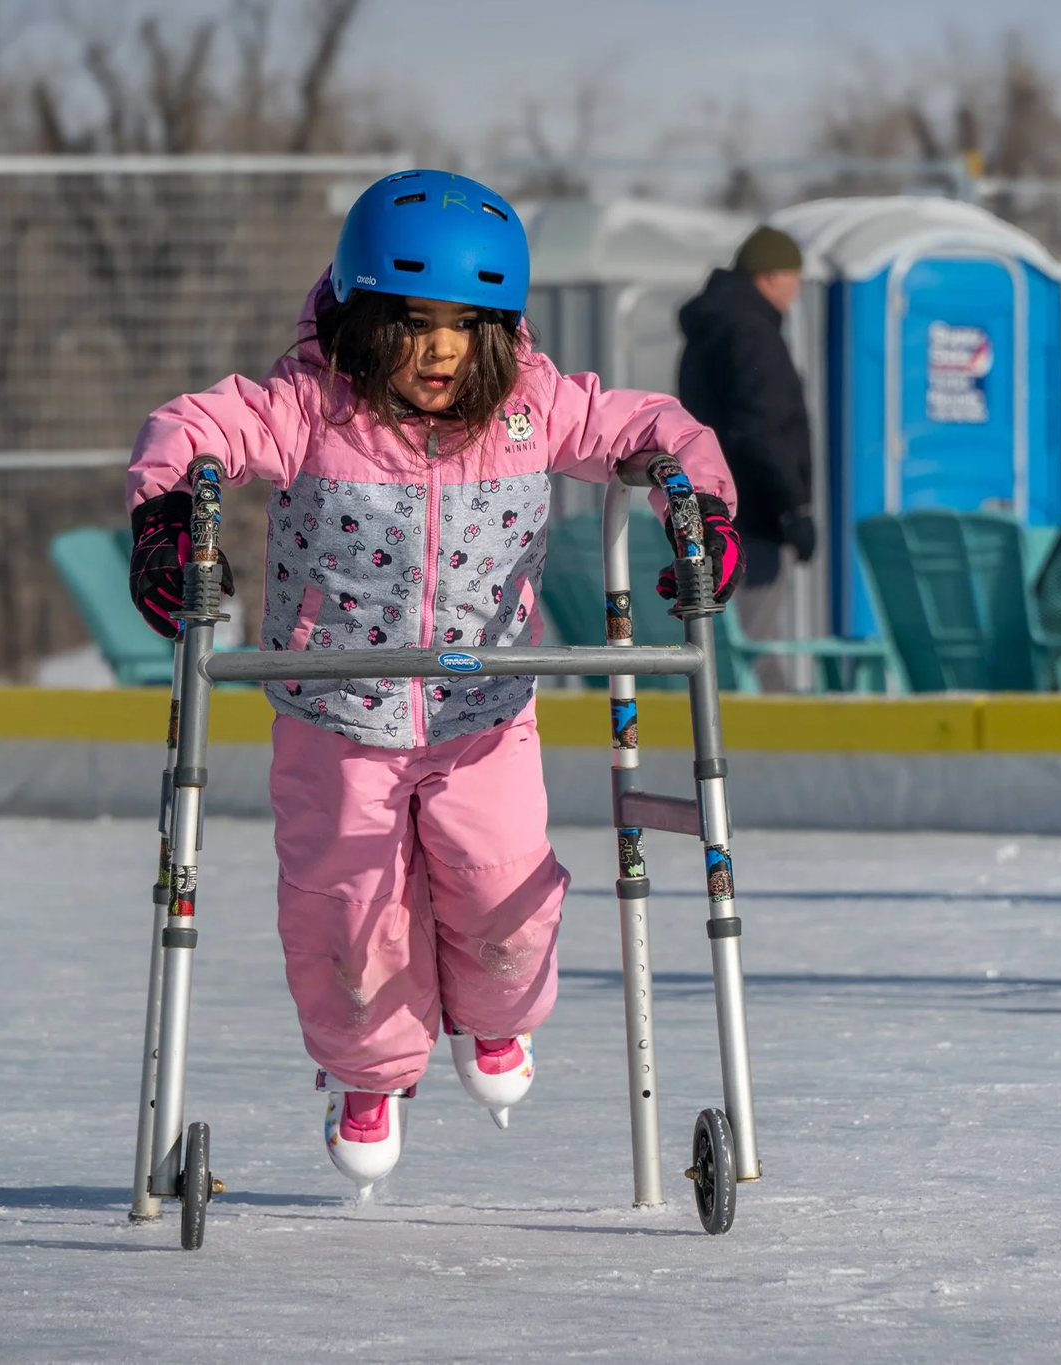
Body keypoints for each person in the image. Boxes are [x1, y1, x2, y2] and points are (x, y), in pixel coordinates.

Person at [124, 170, 739, 1198]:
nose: (441, 350)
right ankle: (367, 1077)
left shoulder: (533, 410)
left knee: (505, 888)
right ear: (363, 318)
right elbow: (189, 430)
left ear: (500, 329)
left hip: (483, 712)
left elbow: (658, 429)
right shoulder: (307, 410)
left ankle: (495, 1021)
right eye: (412, 323)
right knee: (348, 918)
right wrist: (160, 527)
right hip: (334, 715)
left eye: (467, 325)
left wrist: (702, 509)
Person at [677, 225, 816, 684]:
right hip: (753, 516)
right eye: (794, 278)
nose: (796, 292)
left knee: (733, 641)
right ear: (771, 276)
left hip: (712, 506)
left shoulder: (710, 328)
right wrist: (792, 506)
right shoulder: (753, 332)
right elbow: (764, 426)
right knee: (753, 647)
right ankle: (786, 746)